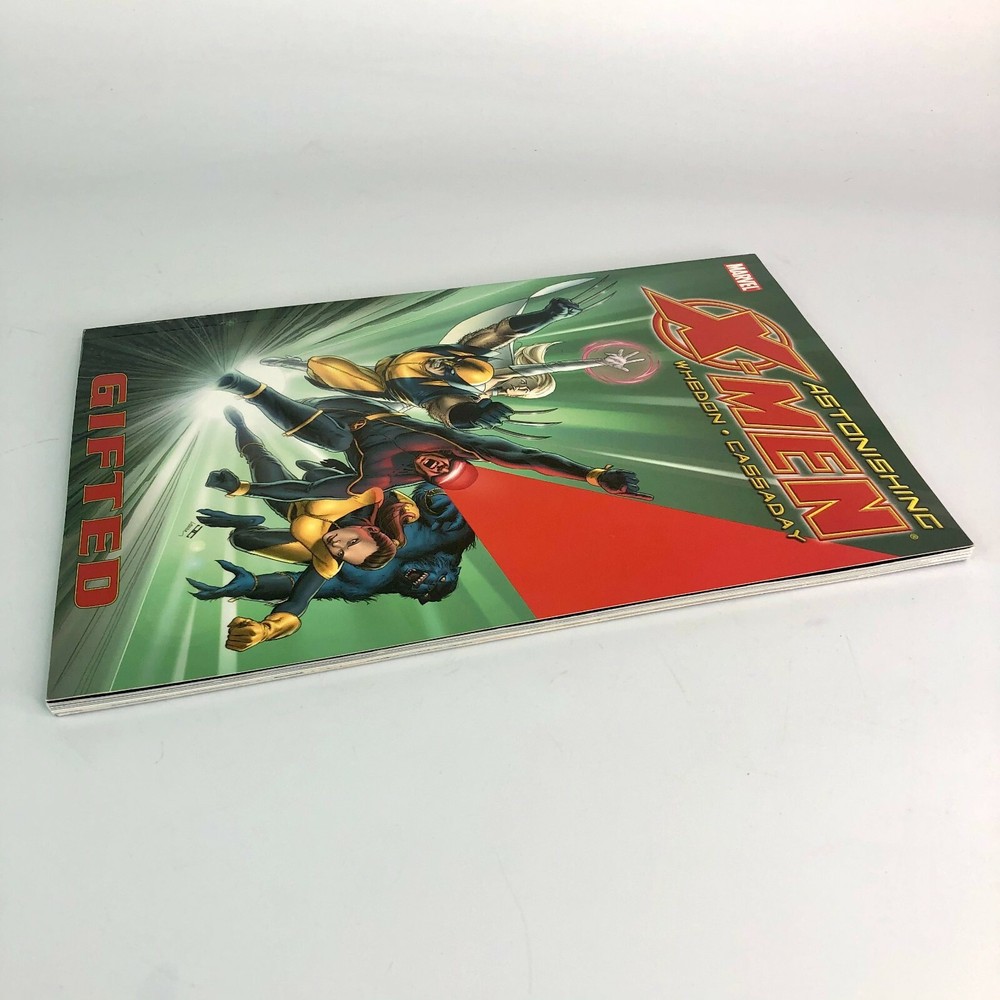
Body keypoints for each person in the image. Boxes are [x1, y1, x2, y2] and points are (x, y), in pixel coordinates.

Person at [206, 374, 652, 504]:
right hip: (356, 404)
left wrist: (244, 488)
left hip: (316, 421)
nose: (439, 466)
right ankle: (250, 388)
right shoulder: (453, 444)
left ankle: (246, 390)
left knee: (339, 445)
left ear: (431, 481)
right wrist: (593, 475)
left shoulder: (382, 479)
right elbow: (526, 457)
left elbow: (310, 491)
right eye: (448, 464)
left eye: (440, 474)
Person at [204, 407, 419, 651]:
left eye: (341, 554)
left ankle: (250, 520)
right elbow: (306, 490)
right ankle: (241, 426)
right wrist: (242, 488)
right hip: (309, 489)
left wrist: (266, 630)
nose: (336, 545)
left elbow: (298, 603)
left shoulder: (328, 558)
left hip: (290, 508)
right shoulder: (366, 498)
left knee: (242, 537)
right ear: (370, 531)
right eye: (352, 542)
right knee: (272, 461)